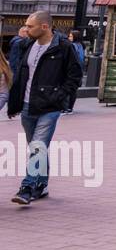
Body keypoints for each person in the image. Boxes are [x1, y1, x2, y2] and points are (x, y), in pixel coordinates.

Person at [8, 11, 84, 204]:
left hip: (49, 107)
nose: (26, 29)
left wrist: (58, 96)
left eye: (30, 26)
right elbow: (17, 74)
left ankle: (27, 188)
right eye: (25, 25)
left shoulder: (63, 47)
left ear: (44, 27)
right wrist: (14, 102)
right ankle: (41, 185)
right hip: (27, 105)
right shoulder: (25, 45)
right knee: (38, 148)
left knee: (38, 147)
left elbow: (75, 76)